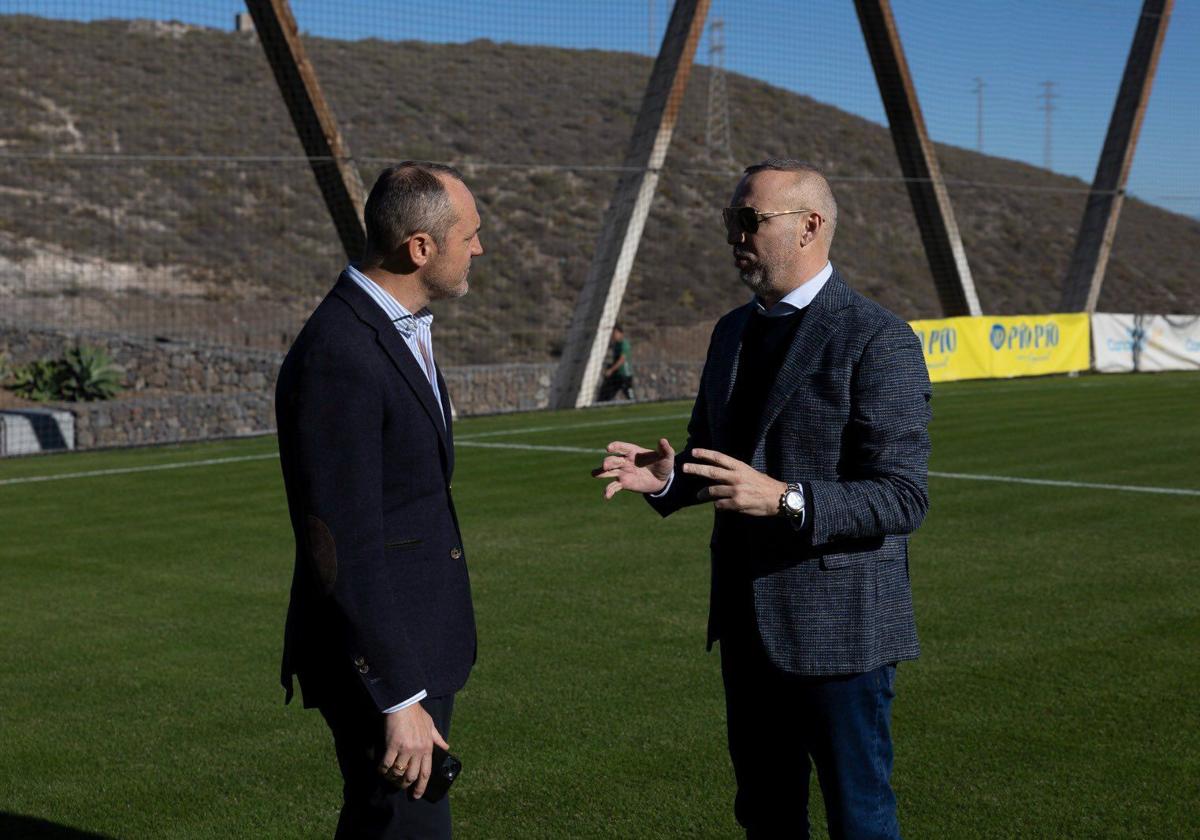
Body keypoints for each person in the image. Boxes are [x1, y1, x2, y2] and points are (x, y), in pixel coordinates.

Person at [593, 159, 931, 839]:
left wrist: (789, 500)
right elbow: (714, 461)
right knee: (767, 816)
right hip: (748, 630)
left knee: (859, 818)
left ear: (810, 227)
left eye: (748, 221)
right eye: (731, 221)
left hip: (841, 637)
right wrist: (668, 478)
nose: (734, 236)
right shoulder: (730, 333)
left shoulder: (877, 338)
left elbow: (901, 497)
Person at [275, 162, 484, 839]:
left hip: (415, 643)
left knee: (385, 824)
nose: (478, 249)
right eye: (470, 235)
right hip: (384, 665)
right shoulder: (343, 351)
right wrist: (397, 695)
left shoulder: (395, 325)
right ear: (420, 248)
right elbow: (342, 541)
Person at [598, 324, 635, 401]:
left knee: (630, 396)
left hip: (625, 375)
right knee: (606, 394)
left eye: (615, 333)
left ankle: (635, 405)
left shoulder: (624, 344)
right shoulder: (616, 345)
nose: (613, 335)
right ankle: (601, 402)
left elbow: (622, 360)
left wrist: (611, 370)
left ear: (621, 333)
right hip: (617, 375)